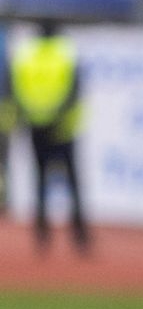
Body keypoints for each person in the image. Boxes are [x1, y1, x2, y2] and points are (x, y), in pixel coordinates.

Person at [7, 18, 91, 254]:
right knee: (72, 181)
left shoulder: (26, 54)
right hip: (62, 126)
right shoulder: (64, 52)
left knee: (40, 179)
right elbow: (74, 90)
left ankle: (42, 235)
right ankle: (80, 235)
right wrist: (60, 115)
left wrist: (24, 116)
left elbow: (15, 89)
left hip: (35, 123)